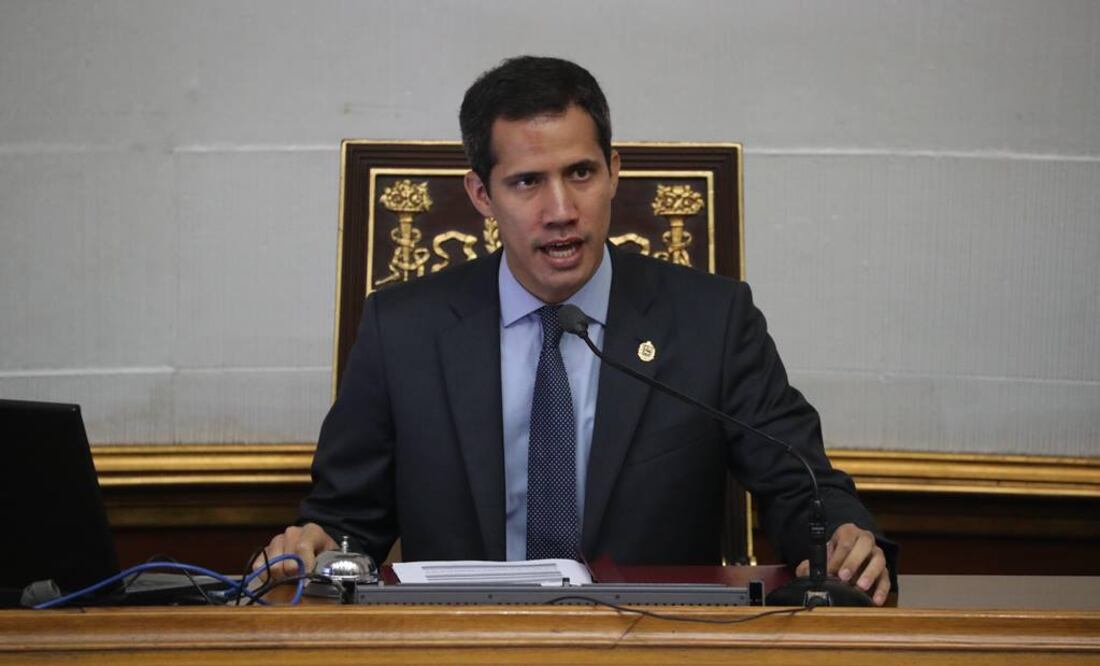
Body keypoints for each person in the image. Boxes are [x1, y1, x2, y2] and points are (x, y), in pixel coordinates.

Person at [262, 56, 895, 605]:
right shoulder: (403, 331)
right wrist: (317, 545)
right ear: (481, 195)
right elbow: (347, 524)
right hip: (463, 643)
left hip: (655, 646)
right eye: (527, 182)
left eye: (581, 173)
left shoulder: (712, 321)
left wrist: (839, 535)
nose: (561, 211)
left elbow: (802, 486)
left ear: (615, 171)